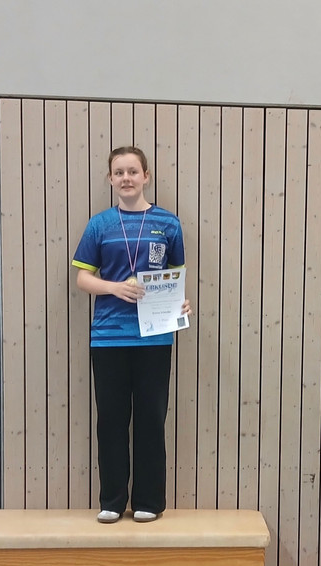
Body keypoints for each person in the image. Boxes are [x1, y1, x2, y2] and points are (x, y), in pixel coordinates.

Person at [72, 146, 191, 524]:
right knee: (110, 419)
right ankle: (112, 500)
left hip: (154, 338)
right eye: (119, 172)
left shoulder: (168, 224)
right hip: (109, 337)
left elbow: (174, 277)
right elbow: (82, 278)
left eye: (133, 171)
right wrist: (114, 288)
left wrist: (180, 304)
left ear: (146, 176)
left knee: (151, 419)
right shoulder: (99, 225)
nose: (126, 178)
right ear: (110, 179)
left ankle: (149, 501)